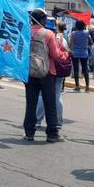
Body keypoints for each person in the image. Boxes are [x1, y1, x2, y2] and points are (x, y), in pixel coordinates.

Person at [23, 9, 66, 142]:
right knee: (50, 104)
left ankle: (29, 133)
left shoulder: (25, 32)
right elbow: (55, 55)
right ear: (41, 19)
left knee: (31, 104)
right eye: (45, 18)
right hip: (47, 72)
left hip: (29, 72)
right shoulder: (48, 34)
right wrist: (66, 54)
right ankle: (52, 134)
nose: (46, 20)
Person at [70, 19, 93, 91]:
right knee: (85, 69)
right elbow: (91, 42)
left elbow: (70, 43)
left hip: (75, 52)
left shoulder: (73, 33)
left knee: (76, 69)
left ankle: (77, 86)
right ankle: (87, 87)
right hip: (84, 52)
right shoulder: (87, 33)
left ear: (76, 25)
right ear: (84, 25)